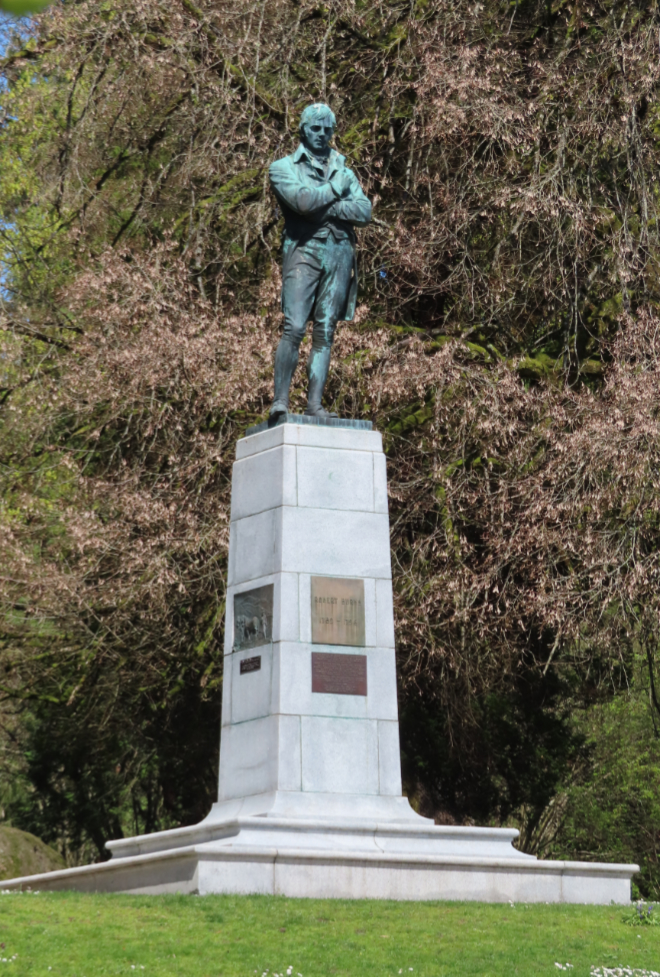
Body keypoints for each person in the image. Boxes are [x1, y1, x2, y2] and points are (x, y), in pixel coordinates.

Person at [268, 103, 372, 419]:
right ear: (303, 130)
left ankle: (314, 405)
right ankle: (280, 401)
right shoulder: (282, 167)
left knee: (326, 331)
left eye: (327, 129)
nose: (322, 134)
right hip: (304, 250)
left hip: (339, 251)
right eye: (315, 128)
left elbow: (364, 211)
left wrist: (326, 207)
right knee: (295, 325)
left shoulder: (344, 169)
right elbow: (301, 201)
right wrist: (335, 191)